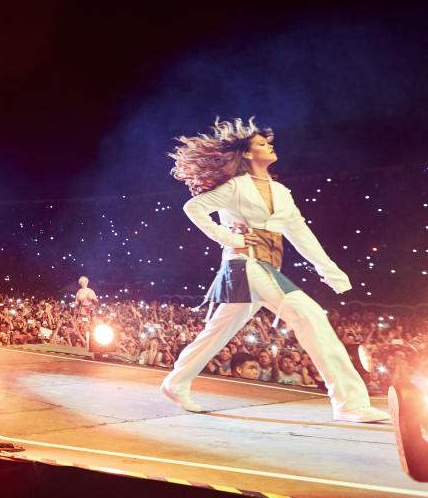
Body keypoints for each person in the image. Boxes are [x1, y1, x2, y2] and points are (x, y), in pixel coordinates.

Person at [160, 117, 389, 422]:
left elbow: (300, 232)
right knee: (309, 316)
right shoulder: (236, 186)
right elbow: (194, 207)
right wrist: (229, 236)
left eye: (268, 142)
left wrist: (329, 269)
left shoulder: (281, 192)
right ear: (246, 154)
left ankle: (175, 382)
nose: (269, 145)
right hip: (244, 265)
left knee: (217, 332)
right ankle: (350, 402)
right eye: (260, 143)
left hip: (266, 265)